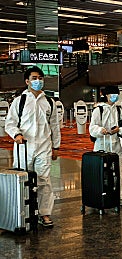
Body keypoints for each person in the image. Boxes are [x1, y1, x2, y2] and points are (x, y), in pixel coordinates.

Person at [5, 66, 61, 228]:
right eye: (35, 78)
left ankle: (44, 213)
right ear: (27, 81)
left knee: (44, 180)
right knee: (23, 180)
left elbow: (55, 126)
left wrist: (56, 146)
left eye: (40, 78)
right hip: (24, 148)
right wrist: (16, 134)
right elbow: (10, 123)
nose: (38, 81)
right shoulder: (20, 101)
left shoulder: (49, 102)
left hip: (44, 146)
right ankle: (22, 213)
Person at [89, 85, 122, 207]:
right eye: (113, 94)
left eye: (116, 94)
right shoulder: (98, 110)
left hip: (116, 145)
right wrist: (101, 130)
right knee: (101, 172)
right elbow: (92, 128)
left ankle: (118, 197)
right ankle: (99, 196)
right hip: (101, 145)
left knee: (118, 172)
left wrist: (119, 130)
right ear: (107, 95)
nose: (115, 96)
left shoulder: (118, 109)